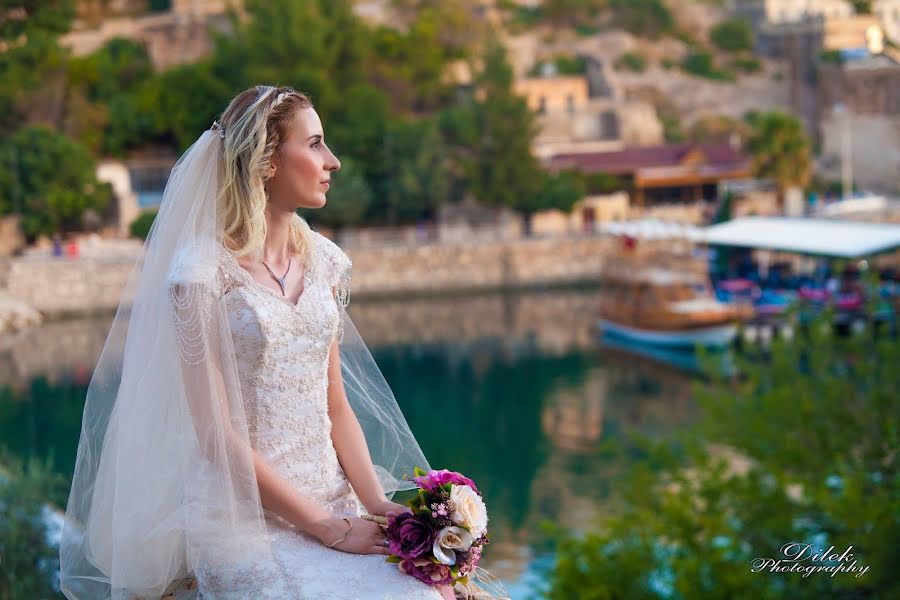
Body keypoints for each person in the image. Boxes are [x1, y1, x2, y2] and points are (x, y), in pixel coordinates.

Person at [59, 85, 465, 599]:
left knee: (434, 589)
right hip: (241, 520)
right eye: (315, 144)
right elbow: (214, 435)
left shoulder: (327, 263)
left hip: (331, 495)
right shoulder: (201, 276)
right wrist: (326, 528)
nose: (332, 161)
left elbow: (335, 405)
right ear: (268, 160)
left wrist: (376, 505)